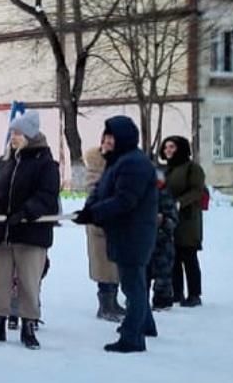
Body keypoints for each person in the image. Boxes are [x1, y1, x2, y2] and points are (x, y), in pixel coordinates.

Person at [75, 117, 160, 353]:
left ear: (123, 138)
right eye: (105, 138)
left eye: (111, 138)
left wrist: (94, 213)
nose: (106, 142)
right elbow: (101, 190)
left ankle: (132, 337)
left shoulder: (134, 163)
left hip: (134, 233)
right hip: (124, 232)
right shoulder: (118, 162)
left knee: (132, 287)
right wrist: (88, 210)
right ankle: (145, 325)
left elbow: (125, 200)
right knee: (135, 284)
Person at [0, 110, 60, 351]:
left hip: (31, 235)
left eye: (17, 133)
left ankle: (28, 325)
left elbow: (47, 196)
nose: (12, 137)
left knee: (28, 281)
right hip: (3, 233)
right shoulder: (3, 161)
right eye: (12, 132)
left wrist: (25, 212)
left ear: (28, 135)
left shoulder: (46, 164)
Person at [160, 135, 206, 308]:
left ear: (181, 148)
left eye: (172, 147)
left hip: (188, 219)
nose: (168, 151)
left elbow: (197, 190)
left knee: (189, 257)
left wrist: (180, 202)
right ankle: (177, 292)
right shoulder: (166, 170)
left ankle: (194, 294)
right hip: (169, 219)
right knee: (173, 258)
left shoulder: (192, 168)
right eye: (166, 148)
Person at [83, 145, 124, 321]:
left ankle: (113, 302)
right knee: (105, 268)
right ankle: (105, 305)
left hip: (115, 223)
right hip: (100, 225)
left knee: (114, 267)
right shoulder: (96, 171)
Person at [151, 178, 179, 310]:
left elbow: (173, 219)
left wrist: (163, 221)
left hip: (162, 242)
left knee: (163, 274)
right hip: (141, 242)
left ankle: (162, 301)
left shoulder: (162, 191)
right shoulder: (133, 190)